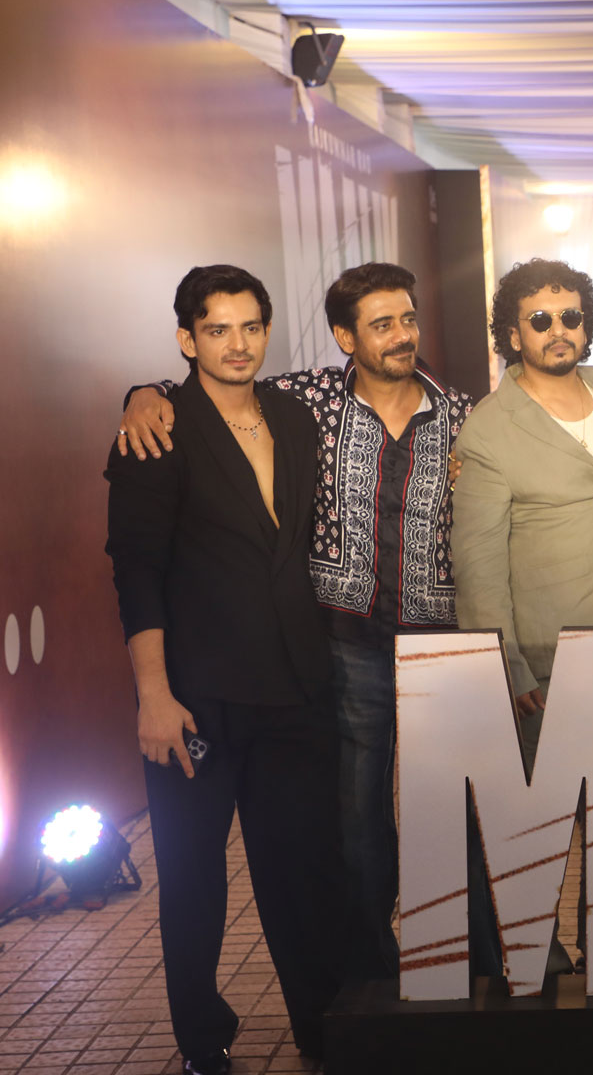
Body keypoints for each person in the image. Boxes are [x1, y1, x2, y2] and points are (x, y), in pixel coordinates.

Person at [115, 262, 474, 980]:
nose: (400, 334)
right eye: (381, 324)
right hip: (345, 648)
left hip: (441, 644)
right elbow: (213, 389)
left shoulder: (465, 413)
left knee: (450, 811)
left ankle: (469, 964)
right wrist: (142, 395)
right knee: (355, 824)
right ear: (345, 337)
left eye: (407, 319)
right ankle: (372, 972)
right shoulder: (310, 399)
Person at [105, 266, 343, 1074]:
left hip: (295, 690)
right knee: (194, 880)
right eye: (217, 330)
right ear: (187, 339)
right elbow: (135, 571)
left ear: (266, 332)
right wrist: (153, 697)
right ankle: (203, 1041)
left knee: (302, 876)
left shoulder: (294, 413)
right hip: (194, 698)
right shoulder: (157, 431)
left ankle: (320, 1032)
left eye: (250, 328)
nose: (237, 345)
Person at [452, 259, 593, 765]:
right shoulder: (488, 429)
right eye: (540, 321)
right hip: (545, 664)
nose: (558, 331)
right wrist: (506, 665)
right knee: (553, 804)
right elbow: (477, 567)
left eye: (570, 318)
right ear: (514, 336)